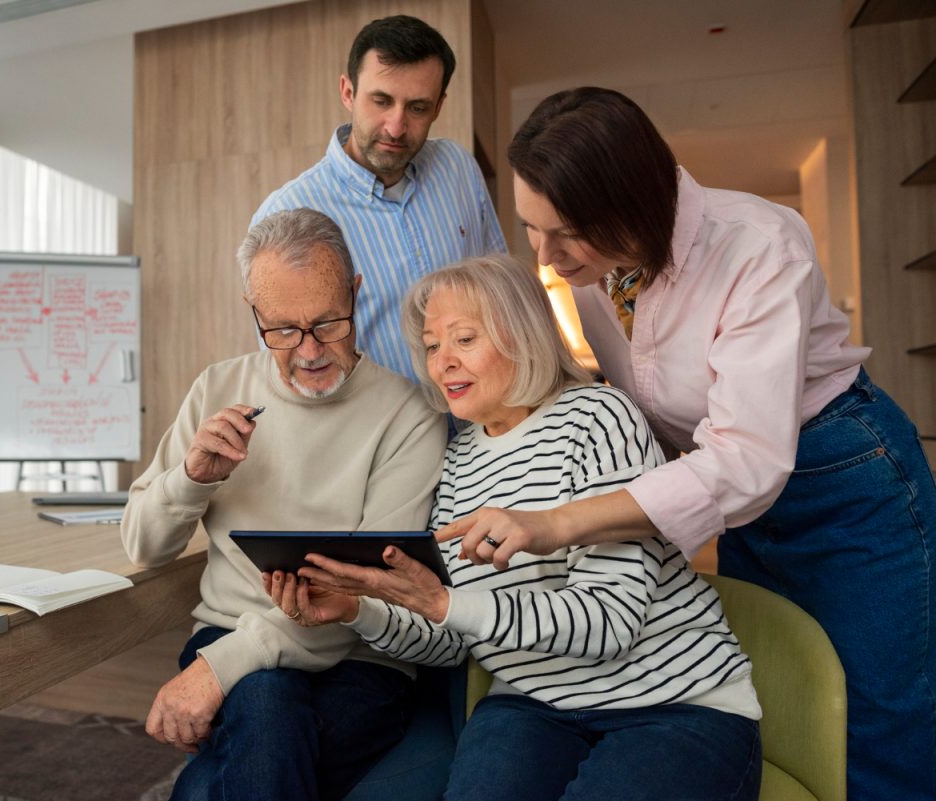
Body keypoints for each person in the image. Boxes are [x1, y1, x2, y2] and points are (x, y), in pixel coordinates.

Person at [456, 86, 936, 801]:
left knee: (878, 724)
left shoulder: (760, 245)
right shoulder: (594, 271)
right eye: (531, 228)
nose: (546, 257)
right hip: (729, 491)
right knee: (785, 692)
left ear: (632, 204)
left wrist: (558, 522)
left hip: (840, 472)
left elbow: (746, 461)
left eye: (564, 234)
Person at [267, 254, 762, 801]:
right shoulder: (458, 463)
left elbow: (610, 623)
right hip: (533, 705)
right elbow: (452, 639)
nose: (443, 363)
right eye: (432, 347)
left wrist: (447, 605)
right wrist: (359, 610)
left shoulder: (599, 417)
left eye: (464, 339)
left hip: (672, 703)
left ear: (521, 336)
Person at [120, 207, 447, 801]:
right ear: (254, 311)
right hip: (226, 630)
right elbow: (143, 544)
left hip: (359, 654)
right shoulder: (217, 388)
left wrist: (218, 672)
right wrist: (192, 478)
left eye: (328, 322)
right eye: (283, 330)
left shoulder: (408, 414)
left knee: (243, 745)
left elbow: (370, 589)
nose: (309, 350)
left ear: (355, 292)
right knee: (269, 704)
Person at [252, 14, 505, 384]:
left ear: (438, 106)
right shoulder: (286, 214)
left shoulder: (458, 169)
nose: (396, 126)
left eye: (418, 107)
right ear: (348, 92)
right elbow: (288, 373)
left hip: (482, 432)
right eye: (381, 101)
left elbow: (501, 297)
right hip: (382, 439)